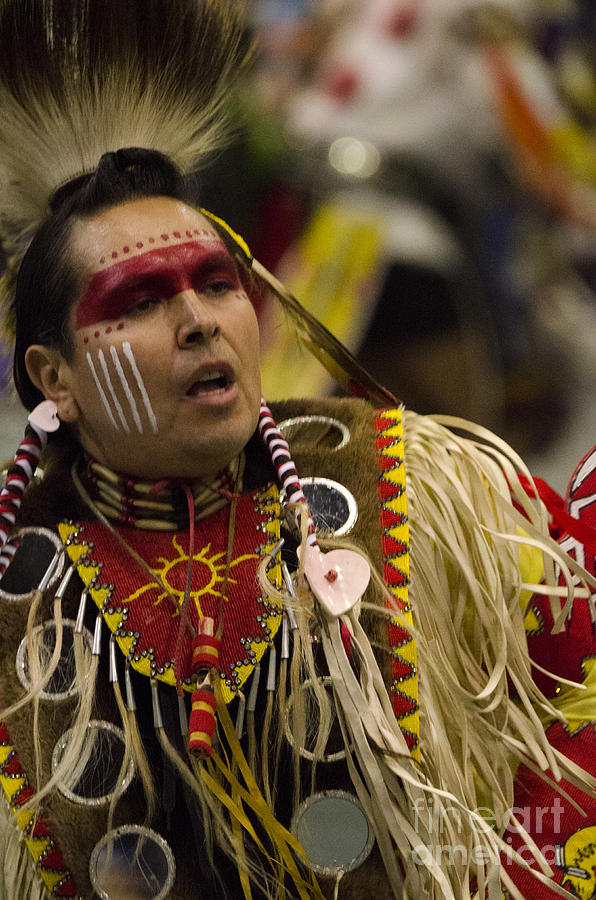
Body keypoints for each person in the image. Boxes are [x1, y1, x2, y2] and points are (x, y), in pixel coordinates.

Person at [0, 2, 594, 899]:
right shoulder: (18, 593)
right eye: (144, 298)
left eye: (216, 282)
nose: (201, 319)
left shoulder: (426, 496)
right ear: (56, 378)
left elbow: (567, 659)